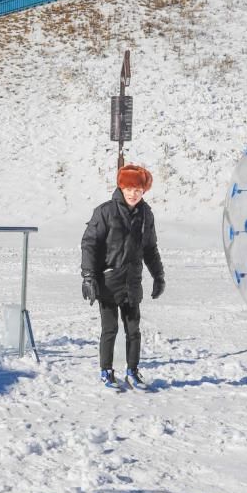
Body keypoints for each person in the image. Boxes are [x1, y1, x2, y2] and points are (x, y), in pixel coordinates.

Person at [80, 163, 165, 390]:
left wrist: (158, 276)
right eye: (129, 189)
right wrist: (88, 276)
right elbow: (90, 244)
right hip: (108, 281)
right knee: (110, 329)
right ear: (121, 187)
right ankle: (106, 371)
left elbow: (150, 249)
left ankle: (132, 371)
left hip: (132, 281)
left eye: (137, 190)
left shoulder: (146, 214)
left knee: (133, 330)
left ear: (143, 191)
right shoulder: (105, 211)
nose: (133, 194)